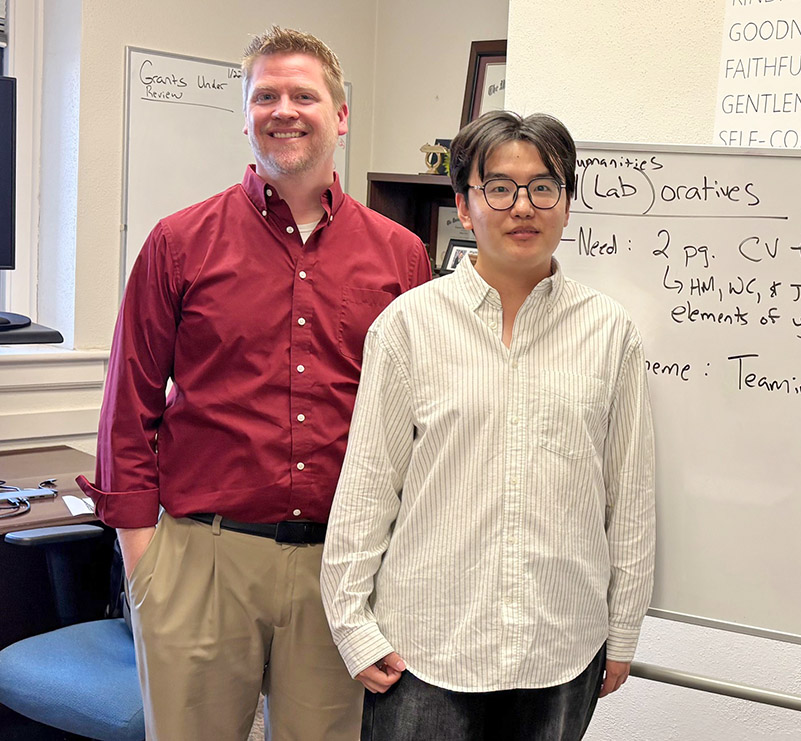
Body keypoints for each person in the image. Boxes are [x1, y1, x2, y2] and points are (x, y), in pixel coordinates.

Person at [76, 26, 431, 741]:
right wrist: (146, 561)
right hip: (201, 560)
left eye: (304, 94)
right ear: (244, 114)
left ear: (341, 114)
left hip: (342, 568)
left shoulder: (401, 256)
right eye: (265, 94)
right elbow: (129, 405)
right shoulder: (179, 242)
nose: (284, 109)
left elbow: (420, 420)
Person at [320, 110, 656, 740]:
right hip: (425, 645)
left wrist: (623, 628)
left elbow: (629, 497)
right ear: (466, 208)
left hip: (562, 644)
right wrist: (351, 622)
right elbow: (368, 484)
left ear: (566, 202)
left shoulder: (610, 335)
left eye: (542, 188)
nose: (521, 206)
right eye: (498, 188)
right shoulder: (408, 327)